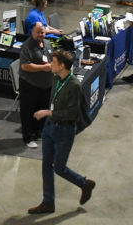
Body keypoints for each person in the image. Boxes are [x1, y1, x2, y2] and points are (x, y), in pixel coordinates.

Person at [27, 50, 96, 214]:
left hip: (64, 131)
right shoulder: (56, 78)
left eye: (54, 62)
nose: (51, 64)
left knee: (59, 167)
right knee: (46, 165)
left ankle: (84, 184)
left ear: (62, 66)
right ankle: (48, 202)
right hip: (50, 127)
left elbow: (72, 114)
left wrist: (47, 113)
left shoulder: (74, 86)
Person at [19, 12, 54, 148]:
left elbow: (51, 59)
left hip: (45, 84)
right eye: (38, 32)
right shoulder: (26, 47)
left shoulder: (47, 44)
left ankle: (38, 132)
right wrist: (43, 68)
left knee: (42, 109)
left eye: (43, 32)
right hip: (30, 85)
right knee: (29, 112)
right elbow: (25, 66)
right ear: (32, 32)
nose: (41, 35)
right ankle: (28, 137)